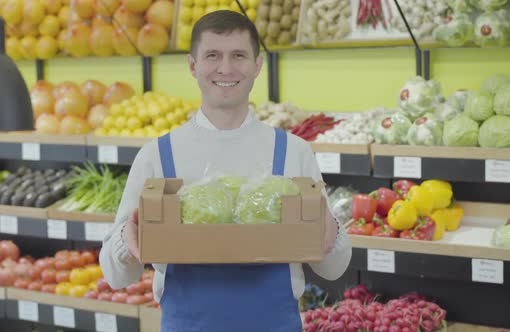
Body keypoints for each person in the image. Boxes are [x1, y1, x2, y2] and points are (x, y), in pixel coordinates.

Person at [100, 10, 352, 332]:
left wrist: (328, 232)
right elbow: (115, 275)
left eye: (239, 56)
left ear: (257, 65)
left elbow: (334, 268)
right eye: (213, 56)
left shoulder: (292, 151)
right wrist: (127, 239)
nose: (226, 68)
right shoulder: (157, 155)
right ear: (192, 65)